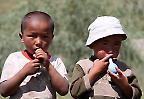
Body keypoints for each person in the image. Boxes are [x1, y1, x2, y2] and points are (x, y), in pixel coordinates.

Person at [0, 11, 69, 99]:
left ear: (51, 38)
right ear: (22, 37)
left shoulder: (55, 61)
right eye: (32, 36)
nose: (38, 42)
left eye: (45, 37)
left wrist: (48, 66)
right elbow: (4, 91)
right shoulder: (14, 59)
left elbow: (63, 90)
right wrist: (24, 71)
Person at [70, 16, 142, 99]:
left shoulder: (124, 70)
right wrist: (94, 72)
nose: (110, 49)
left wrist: (124, 84)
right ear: (92, 44)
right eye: (105, 43)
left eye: (116, 44)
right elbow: (75, 92)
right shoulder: (83, 66)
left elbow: (137, 95)